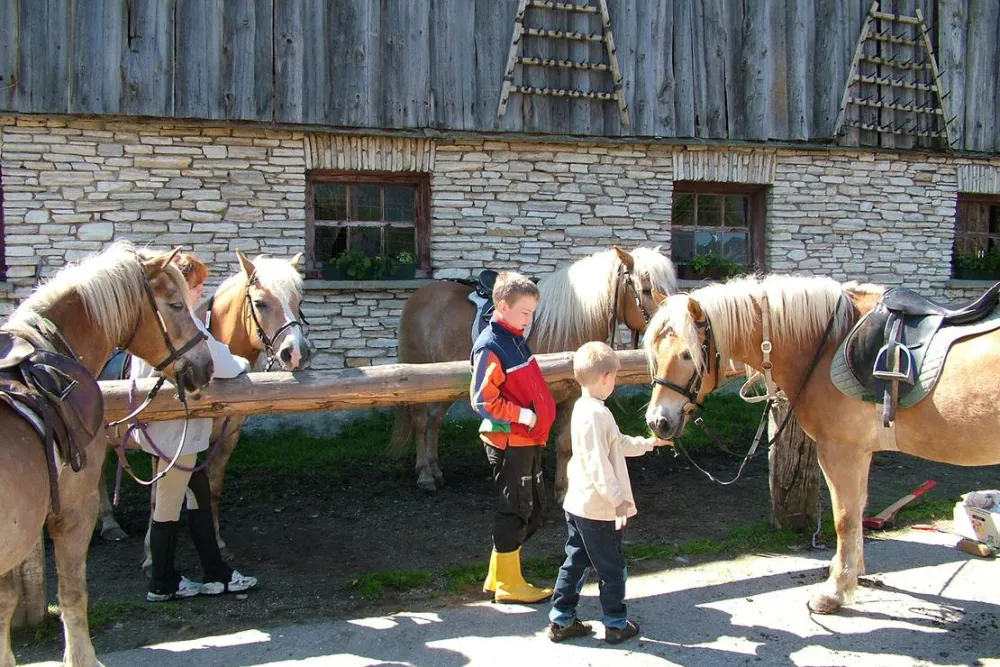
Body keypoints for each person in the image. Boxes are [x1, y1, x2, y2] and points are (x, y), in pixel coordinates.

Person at [133, 252, 258, 602]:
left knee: (198, 501)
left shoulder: (156, 325)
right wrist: (242, 361)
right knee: (168, 507)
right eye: (197, 284)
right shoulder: (186, 326)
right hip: (177, 434)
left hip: (174, 433)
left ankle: (216, 573)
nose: (203, 290)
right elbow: (224, 364)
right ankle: (162, 582)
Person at [547, 341, 672, 643]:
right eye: (614, 377)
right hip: (597, 510)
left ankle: (562, 620)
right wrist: (617, 500)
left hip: (579, 506)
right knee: (612, 568)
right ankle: (615, 623)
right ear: (605, 377)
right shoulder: (596, 415)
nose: (614, 382)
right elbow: (598, 465)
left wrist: (649, 443)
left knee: (576, 561)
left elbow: (617, 444)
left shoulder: (586, 409)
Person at [470, 271, 557, 604]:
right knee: (515, 509)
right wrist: (523, 416)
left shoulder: (515, 338)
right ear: (502, 307)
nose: (529, 319)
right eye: (525, 312)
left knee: (530, 508)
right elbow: (482, 400)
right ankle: (509, 585)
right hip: (509, 442)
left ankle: (498, 577)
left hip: (527, 440)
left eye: (532, 313)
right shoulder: (491, 345)